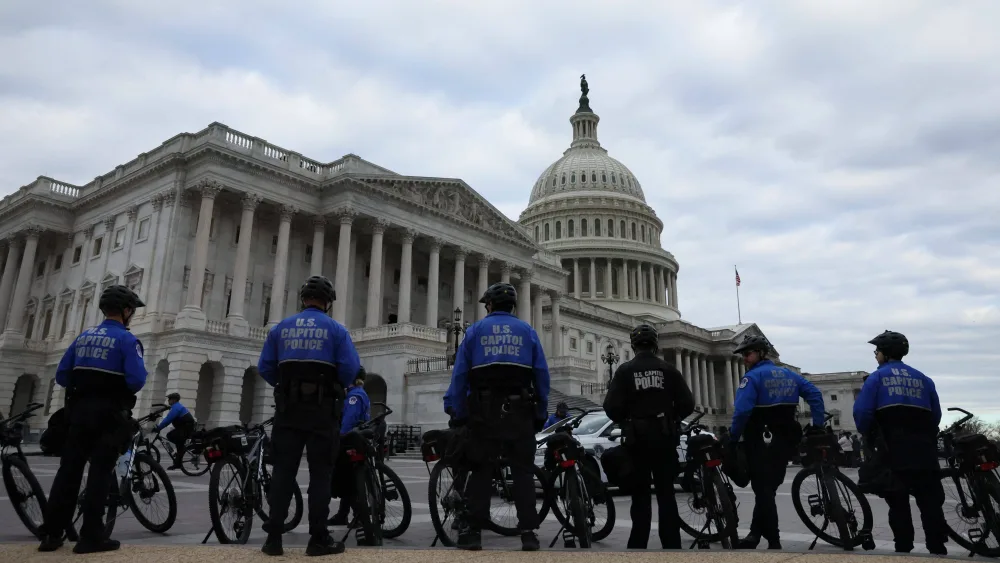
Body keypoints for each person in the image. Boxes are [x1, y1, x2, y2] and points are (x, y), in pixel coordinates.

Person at [38, 285, 148, 554]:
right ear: (126, 311)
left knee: (69, 471)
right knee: (100, 473)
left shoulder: (83, 337)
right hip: (109, 416)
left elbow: (62, 375)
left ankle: (52, 534)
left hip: (78, 413)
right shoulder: (127, 340)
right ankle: (91, 537)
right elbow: (136, 380)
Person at [257, 275, 361, 556]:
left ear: (302, 299)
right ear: (328, 303)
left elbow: (265, 367)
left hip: (288, 411)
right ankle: (318, 538)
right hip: (322, 411)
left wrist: (286, 387)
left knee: (282, 473)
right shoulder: (336, 330)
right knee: (320, 475)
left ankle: (273, 539)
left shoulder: (281, 328)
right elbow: (350, 369)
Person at [443, 282, 550, 551]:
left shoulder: (475, 331)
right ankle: (528, 533)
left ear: (489, 306)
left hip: (484, 412)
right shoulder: (527, 331)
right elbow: (541, 374)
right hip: (520, 411)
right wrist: (541, 410)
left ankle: (472, 533)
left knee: (480, 470)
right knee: (523, 473)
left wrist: (456, 408)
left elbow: (460, 375)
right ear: (513, 307)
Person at [854, 330, 947, 555]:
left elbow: (863, 412)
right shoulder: (924, 378)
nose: (875, 355)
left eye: (877, 351)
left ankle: (904, 549)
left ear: (884, 353)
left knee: (898, 502)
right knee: (930, 502)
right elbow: (936, 415)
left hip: (892, 448)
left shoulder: (877, 378)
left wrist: (868, 434)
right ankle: (938, 548)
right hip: (924, 449)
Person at [602, 323, 694, 549]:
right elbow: (688, 403)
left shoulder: (624, 371)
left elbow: (610, 407)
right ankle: (671, 544)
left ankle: (638, 544)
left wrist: (626, 420)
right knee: (666, 495)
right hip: (664, 437)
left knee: (640, 496)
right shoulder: (669, 370)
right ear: (655, 345)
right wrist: (672, 417)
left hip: (637, 440)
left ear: (633, 345)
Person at [730, 333, 824, 550]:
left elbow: (742, 411)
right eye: (743, 354)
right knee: (768, 489)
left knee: (763, 490)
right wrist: (817, 424)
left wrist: (733, 438)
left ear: (761, 353)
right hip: (787, 438)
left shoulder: (752, 378)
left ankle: (774, 540)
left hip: (760, 438)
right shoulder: (788, 374)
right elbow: (815, 395)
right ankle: (754, 534)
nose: (744, 358)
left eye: (748, 353)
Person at [328, 367, 371, 526]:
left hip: (350, 440)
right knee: (349, 478)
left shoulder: (355, 396)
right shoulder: (358, 393)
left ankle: (359, 513)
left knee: (346, 478)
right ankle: (343, 514)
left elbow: (349, 421)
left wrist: (340, 437)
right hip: (356, 440)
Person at [155, 393, 196, 471]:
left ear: (173, 400)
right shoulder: (175, 407)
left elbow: (168, 419)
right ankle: (178, 460)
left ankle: (178, 461)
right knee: (175, 440)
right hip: (183, 427)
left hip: (186, 427)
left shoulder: (176, 407)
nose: (168, 401)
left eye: (169, 399)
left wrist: (159, 428)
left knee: (171, 436)